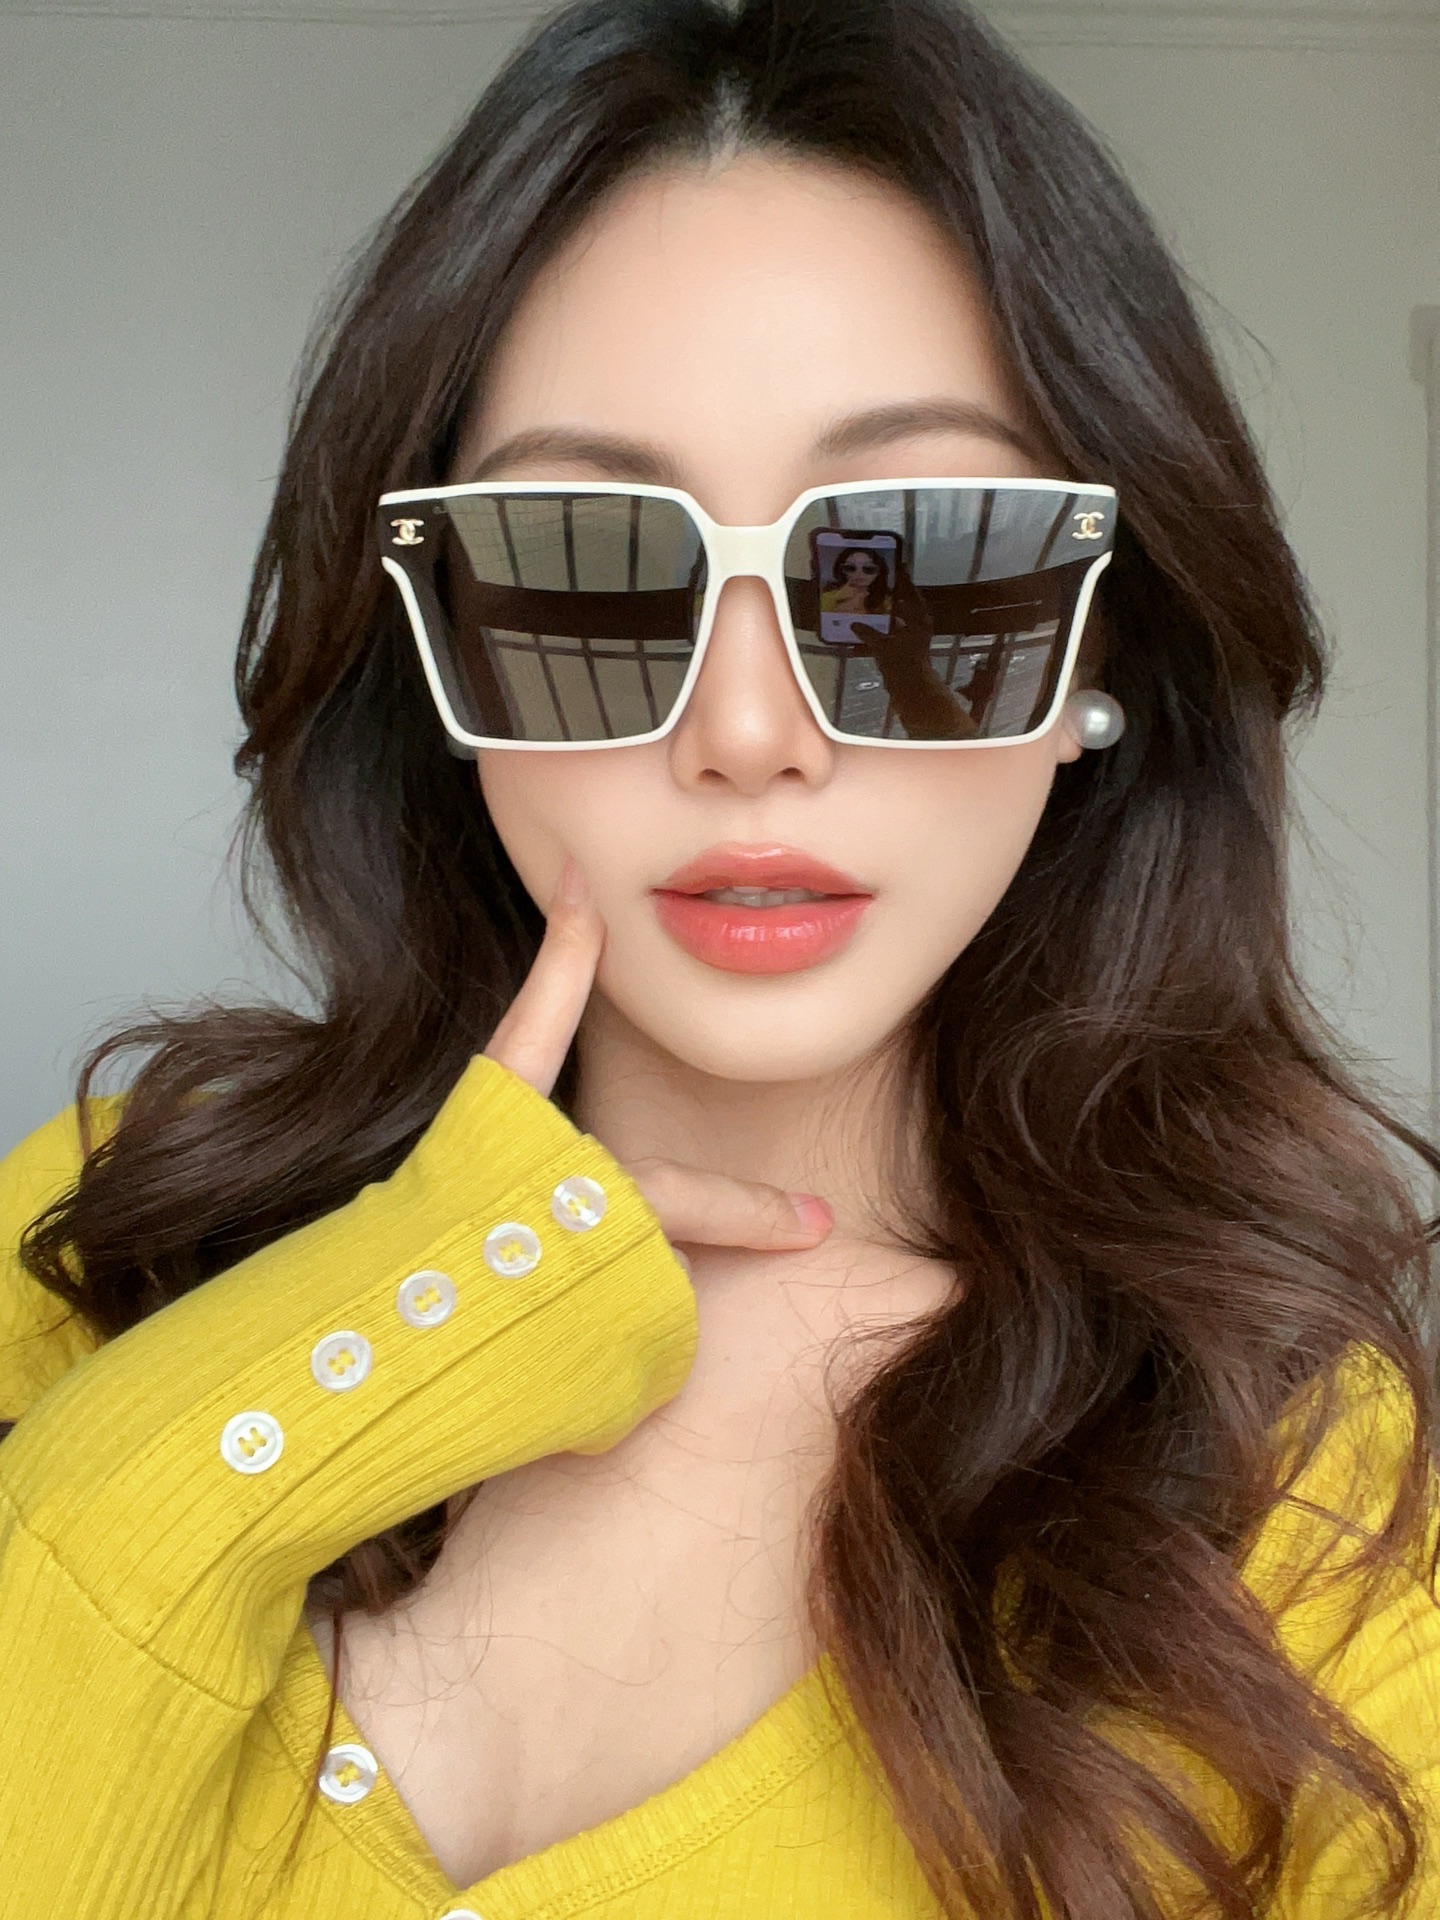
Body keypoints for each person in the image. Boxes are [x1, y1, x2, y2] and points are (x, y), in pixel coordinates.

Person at [1, 1, 1436, 1917]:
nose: (749, 731)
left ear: (1098, 652)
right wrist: (277, 1398)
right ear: (441, 656)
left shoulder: (1299, 1501)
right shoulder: (112, 1238)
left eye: (918, 569)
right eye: (585, 569)